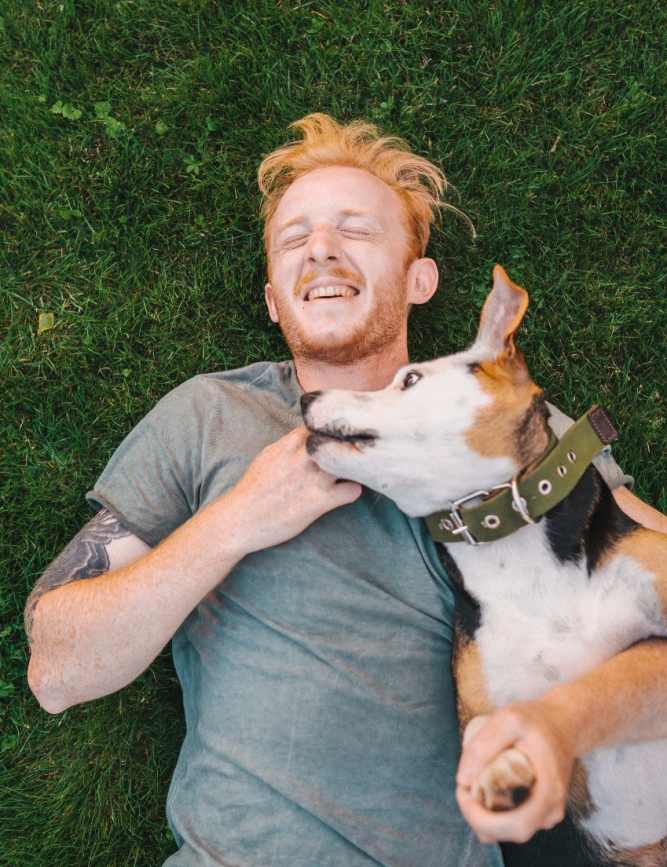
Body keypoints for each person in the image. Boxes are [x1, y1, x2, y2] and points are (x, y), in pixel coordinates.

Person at [24, 113, 667, 867]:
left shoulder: (508, 424)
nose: (320, 248)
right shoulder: (210, 414)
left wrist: (563, 723)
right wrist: (237, 520)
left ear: (417, 277)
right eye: (294, 238)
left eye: (354, 230)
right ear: (272, 297)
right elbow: (56, 672)